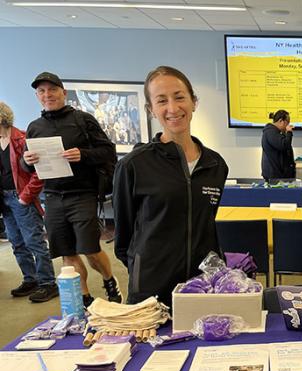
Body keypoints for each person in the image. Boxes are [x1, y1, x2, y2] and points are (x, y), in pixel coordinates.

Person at [113, 66, 229, 306]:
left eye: (179, 97)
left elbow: (206, 224)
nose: (173, 108)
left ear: (194, 102)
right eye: (162, 100)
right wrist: (145, 268)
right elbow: (123, 239)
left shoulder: (215, 164)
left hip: (202, 286)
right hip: (151, 290)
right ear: (151, 109)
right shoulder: (133, 165)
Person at [23, 72, 122, 306]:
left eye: (52, 89)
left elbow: (108, 151)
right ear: (37, 96)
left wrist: (83, 154)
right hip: (53, 197)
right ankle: (85, 299)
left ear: (63, 92)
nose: (48, 95)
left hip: (83, 195)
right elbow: (25, 166)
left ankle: (109, 280)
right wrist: (26, 161)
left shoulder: (82, 120)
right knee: (67, 253)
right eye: (42, 91)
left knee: (89, 249)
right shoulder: (34, 127)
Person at [0, 101, 57, 302]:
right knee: (16, 242)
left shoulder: (22, 139)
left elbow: (39, 173)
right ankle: (30, 278)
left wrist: (25, 196)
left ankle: (48, 283)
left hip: (21, 197)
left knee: (34, 241)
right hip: (4, 200)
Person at [261, 109, 295, 181]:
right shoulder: (270, 132)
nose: (288, 125)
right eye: (287, 122)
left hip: (279, 176)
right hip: (275, 177)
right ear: (280, 121)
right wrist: (289, 132)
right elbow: (284, 145)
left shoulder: (276, 132)